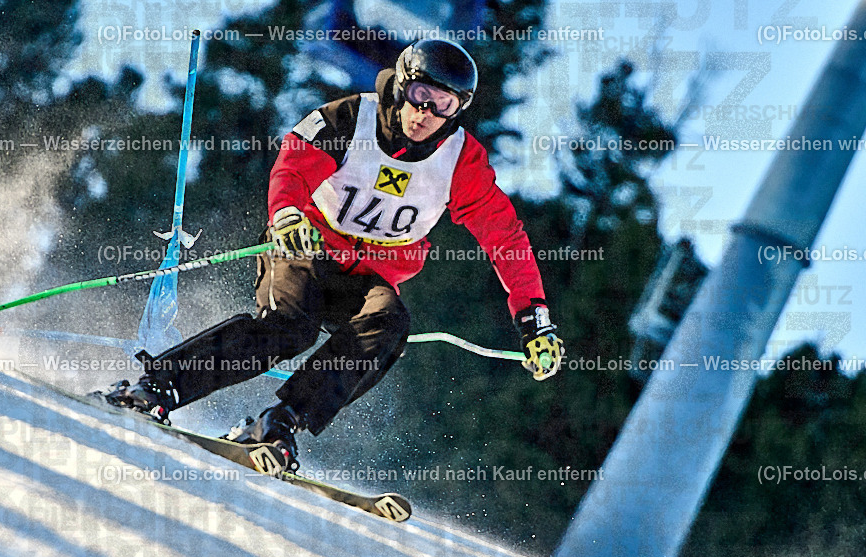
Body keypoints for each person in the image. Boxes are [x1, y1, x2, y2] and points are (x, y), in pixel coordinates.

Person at [106, 39, 565, 472]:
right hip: (307, 246)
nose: (425, 113)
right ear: (403, 83)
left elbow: (505, 237)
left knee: (390, 323)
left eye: (442, 104)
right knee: (291, 326)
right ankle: (157, 386)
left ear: (457, 110)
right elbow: (293, 163)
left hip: (368, 274)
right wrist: (286, 214)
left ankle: (279, 422)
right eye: (421, 94)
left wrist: (535, 320)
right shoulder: (351, 118)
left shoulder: (461, 161)